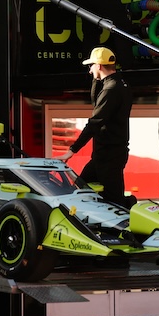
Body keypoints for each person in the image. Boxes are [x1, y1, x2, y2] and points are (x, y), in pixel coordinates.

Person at [60, 47, 133, 207]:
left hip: (109, 156)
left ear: (99, 65)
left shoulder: (111, 89)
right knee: (79, 190)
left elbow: (94, 122)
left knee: (115, 201)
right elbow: (96, 104)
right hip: (104, 155)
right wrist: (95, 79)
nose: (89, 70)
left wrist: (72, 150)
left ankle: (128, 222)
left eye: (91, 66)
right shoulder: (119, 84)